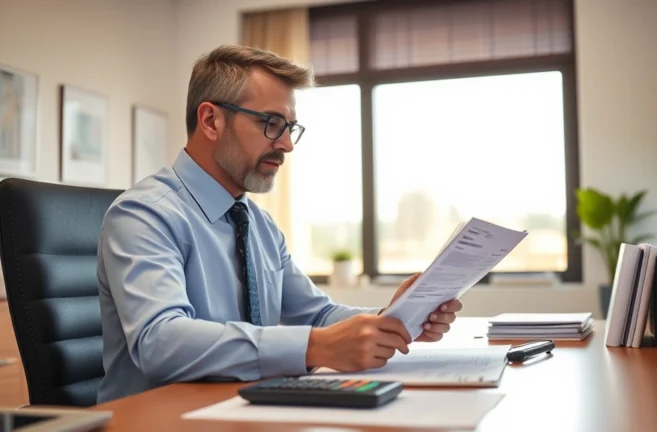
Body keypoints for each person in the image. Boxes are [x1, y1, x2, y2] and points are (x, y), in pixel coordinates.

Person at [95, 44, 462, 403]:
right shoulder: (144, 215)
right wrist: (315, 346)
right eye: (271, 123)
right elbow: (159, 342)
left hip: (246, 411)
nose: (287, 144)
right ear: (211, 121)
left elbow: (317, 314)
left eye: (290, 127)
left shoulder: (260, 224)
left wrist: (388, 322)